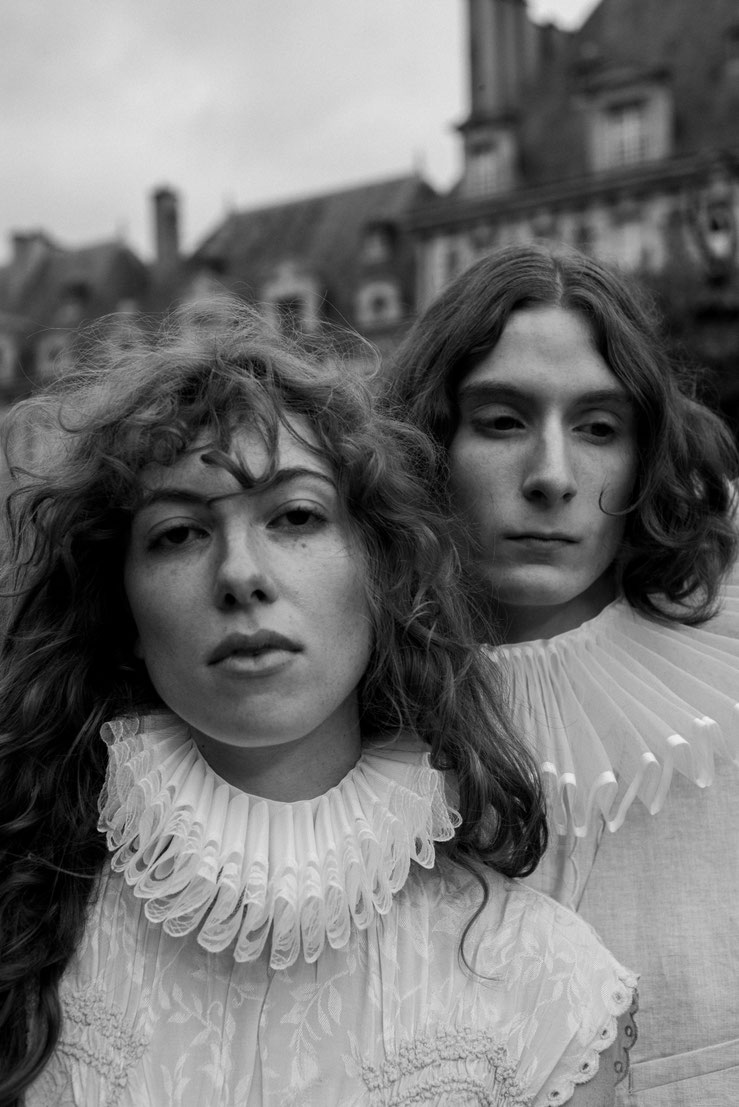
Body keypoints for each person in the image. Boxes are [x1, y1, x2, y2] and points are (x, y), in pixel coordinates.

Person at [0, 301, 636, 1107]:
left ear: (381, 573)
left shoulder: (548, 990)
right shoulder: (26, 930)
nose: (240, 573)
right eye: (178, 533)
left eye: (296, 516)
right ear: (120, 609)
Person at [391, 241, 739, 1106]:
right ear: (427, 442)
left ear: (645, 453)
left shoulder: (724, 674)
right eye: (502, 421)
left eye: (597, 427)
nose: (551, 476)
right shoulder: (349, 704)